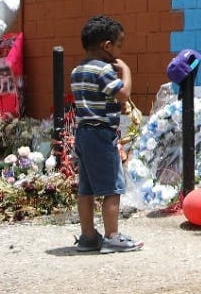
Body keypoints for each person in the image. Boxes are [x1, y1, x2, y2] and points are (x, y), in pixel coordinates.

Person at [70, 14, 142, 253]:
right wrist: (127, 71)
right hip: (102, 134)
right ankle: (112, 237)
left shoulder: (77, 71)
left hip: (83, 133)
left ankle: (88, 236)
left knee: (86, 189)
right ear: (107, 46)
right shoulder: (103, 71)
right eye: (119, 45)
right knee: (113, 187)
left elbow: (95, 99)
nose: (120, 50)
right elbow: (123, 94)